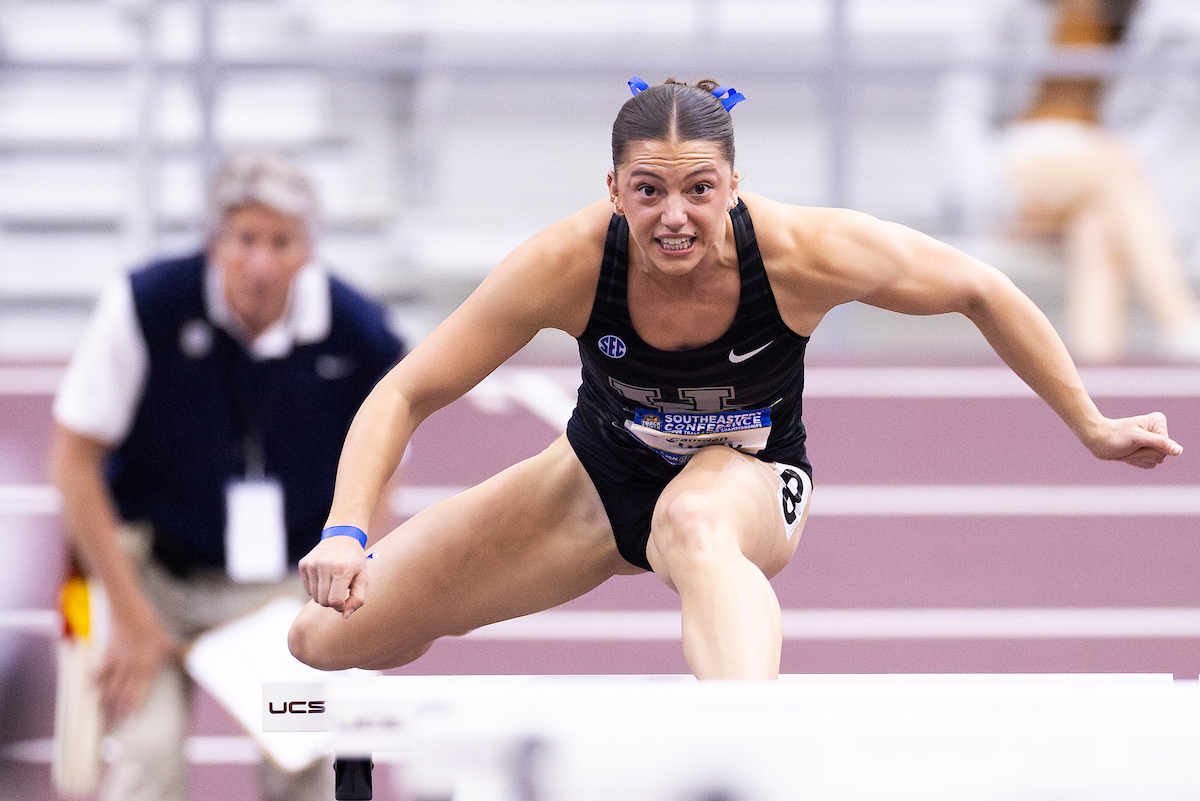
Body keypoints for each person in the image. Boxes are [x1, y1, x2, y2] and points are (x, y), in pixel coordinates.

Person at [288, 78, 1182, 682]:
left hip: (749, 476)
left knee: (695, 519)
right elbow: (405, 390)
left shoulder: (801, 252)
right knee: (325, 640)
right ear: (612, 188)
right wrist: (343, 529)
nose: (674, 218)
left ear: (733, 184)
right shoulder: (565, 263)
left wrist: (1090, 423)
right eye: (648, 192)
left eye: (699, 191)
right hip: (598, 476)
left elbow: (983, 289)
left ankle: (749, 746)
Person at [50, 150, 404, 801]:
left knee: (310, 764)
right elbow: (71, 461)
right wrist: (128, 616)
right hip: (153, 573)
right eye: (245, 239)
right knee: (144, 764)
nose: (262, 262)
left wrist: (348, 597)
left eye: (281, 241)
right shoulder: (144, 306)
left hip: (284, 586)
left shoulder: (358, 334)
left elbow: (383, 474)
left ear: (308, 250)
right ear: (216, 241)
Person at [997, 0, 1200, 362]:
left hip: (1108, 171)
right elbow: (963, 119)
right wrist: (983, 200)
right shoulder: (1012, 15)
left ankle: (1095, 385)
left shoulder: (1157, 25)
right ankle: (1179, 320)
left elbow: (1162, 131)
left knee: (1098, 229)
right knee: (1113, 168)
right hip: (1022, 157)